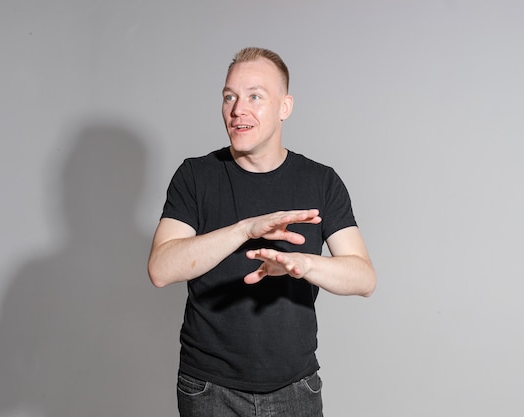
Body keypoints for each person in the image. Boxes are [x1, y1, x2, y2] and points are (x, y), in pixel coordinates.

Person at [148, 46, 376, 417]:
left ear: (285, 107)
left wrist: (301, 264)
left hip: (296, 387)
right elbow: (161, 268)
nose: (238, 109)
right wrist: (244, 230)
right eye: (229, 97)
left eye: (255, 96)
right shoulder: (195, 176)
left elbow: (364, 277)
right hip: (208, 389)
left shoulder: (321, 181)